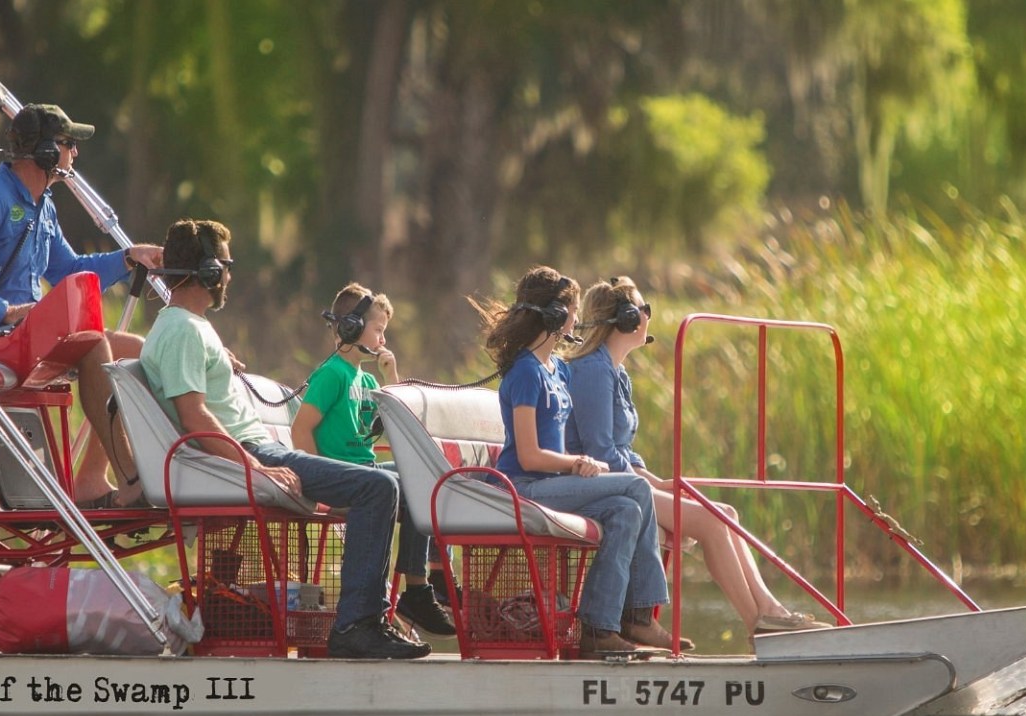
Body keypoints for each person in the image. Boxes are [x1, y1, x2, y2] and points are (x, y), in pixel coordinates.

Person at [140, 219, 428, 659]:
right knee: (378, 487)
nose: (230, 277)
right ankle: (357, 624)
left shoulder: (187, 327)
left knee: (401, 479)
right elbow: (194, 417)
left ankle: (392, 607)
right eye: (227, 267)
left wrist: (220, 362)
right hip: (253, 453)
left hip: (258, 450)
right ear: (211, 272)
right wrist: (256, 467)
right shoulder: (181, 329)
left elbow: (201, 397)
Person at [566, 277, 832, 636]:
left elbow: (622, 449)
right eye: (645, 310)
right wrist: (651, 484)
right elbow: (600, 451)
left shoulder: (617, 372)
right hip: (602, 485)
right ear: (627, 319)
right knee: (710, 522)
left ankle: (768, 611)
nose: (648, 316)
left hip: (624, 479)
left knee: (727, 513)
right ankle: (759, 623)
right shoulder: (593, 370)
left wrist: (657, 481)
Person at [0, 103, 159, 509]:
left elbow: (67, 269)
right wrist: (3, 310)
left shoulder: (43, 205)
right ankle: (132, 478)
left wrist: (127, 257)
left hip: (24, 338)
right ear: (47, 153)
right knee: (91, 344)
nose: (76, 154)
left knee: (138, 351)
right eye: (69, 144)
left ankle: (90, 479)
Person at [472, 266, 690, 657]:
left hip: (551, 485)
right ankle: (639, 615)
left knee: (625, 510)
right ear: (554, 316)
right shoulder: (525, 373)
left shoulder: (556, 369)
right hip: (525, 487)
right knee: (636, 488)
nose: (577, 319)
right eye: (571, 310)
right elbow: (528, 455)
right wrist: (576, 463)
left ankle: (598, 627)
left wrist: (577, 463)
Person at [289, 284, 456, 636]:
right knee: (408, 484)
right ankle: (416, 587)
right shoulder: (332, 374)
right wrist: (320, 480)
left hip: (367, 471)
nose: (383, 338)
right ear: (349, 327)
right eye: (378, 329)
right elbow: (301, 430)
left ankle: (422, 584)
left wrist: (390, 378)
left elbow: (400, 430)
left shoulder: (365, 378)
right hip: (344, 476)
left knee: (427, 477)